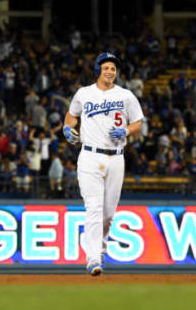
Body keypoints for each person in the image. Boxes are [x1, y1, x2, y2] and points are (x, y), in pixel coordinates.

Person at [63, 52, 143, 276]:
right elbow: (71, 116)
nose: (110, 71)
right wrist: (67, 128)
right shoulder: (84, 93)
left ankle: (100, 253)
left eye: (113, 69)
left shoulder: (126, 95)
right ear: (98, 70)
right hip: (90, 155)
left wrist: (127, 130)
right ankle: (92, 259)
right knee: (94, 209)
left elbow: (138, 122)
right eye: (106, 67)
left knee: (108, 213)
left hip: (116, 157)